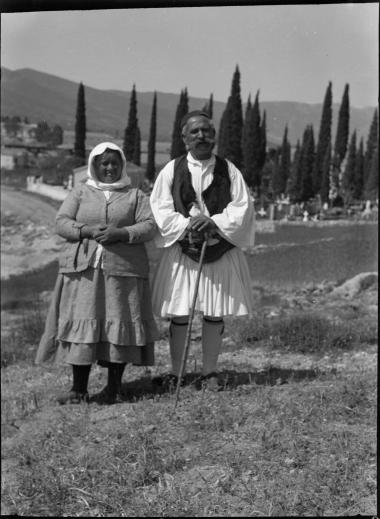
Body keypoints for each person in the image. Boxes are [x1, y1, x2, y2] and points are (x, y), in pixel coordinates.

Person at [35, 142, 158, 404]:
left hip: (123, 273)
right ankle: (78, 390)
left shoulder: (135, 196)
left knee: (119, 323)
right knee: (83, 323)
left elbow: (149, 226)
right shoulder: (80, 192)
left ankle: (114, 388)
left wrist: (122, 233)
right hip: (84, 271)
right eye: (104, 163)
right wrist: (86, 231)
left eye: (115, 163)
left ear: (122, 165)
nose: (110, 168)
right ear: (94, 165)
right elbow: (61, 222)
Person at [150, 111, 255, 388]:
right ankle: (177, 372)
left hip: (218, 248)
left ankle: (210, 372)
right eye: (194, 132)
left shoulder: (229, 170)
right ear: (184, 138)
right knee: (180, 311)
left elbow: (242, 207)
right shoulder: (171, 170)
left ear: (214, 136)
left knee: (213, 311)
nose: (201, 136)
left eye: (207, 131)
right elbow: (159, 207)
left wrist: (213, 222)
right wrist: (188, 226)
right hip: (184, 249)